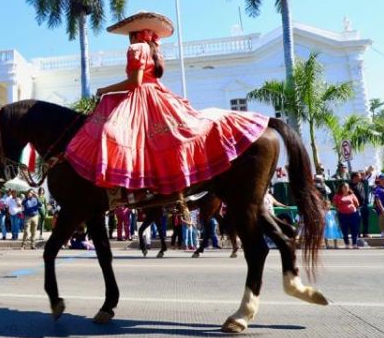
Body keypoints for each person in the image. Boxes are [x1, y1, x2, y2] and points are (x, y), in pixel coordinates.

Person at [64, 12, 270, 207]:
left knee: (114, 132)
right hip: (157, 94)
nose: (129, 39)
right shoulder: (153, 49)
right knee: (159, 140)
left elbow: (135, 82)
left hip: (142, 95)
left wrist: (104, 90)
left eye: (129, 35)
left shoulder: (137, 48)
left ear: (134, 34)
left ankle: (124, 189)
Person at [332, 183, 361, 249]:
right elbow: (333, 204)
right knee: (344, 230)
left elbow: (357, 204)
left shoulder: (352, 195)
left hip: (353, 214)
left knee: (354, 229)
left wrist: (352, 209)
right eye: (344, 187)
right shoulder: (337, 195)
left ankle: (354, 244)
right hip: (342, 215)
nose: (345, 188)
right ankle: (347, 244)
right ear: (341, 188)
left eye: (347, 187)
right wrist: (338, 207)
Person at [349, 171, 371, 240]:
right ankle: (357, 234)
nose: (360, 177)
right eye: (359, 176)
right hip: (356, 206)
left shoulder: (361, 182)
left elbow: (367, 177)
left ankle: (365, 233)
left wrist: (368, 171)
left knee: (365, 220)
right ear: (354, 177)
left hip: (364, 205)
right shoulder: (349, 186)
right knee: (356, 221)